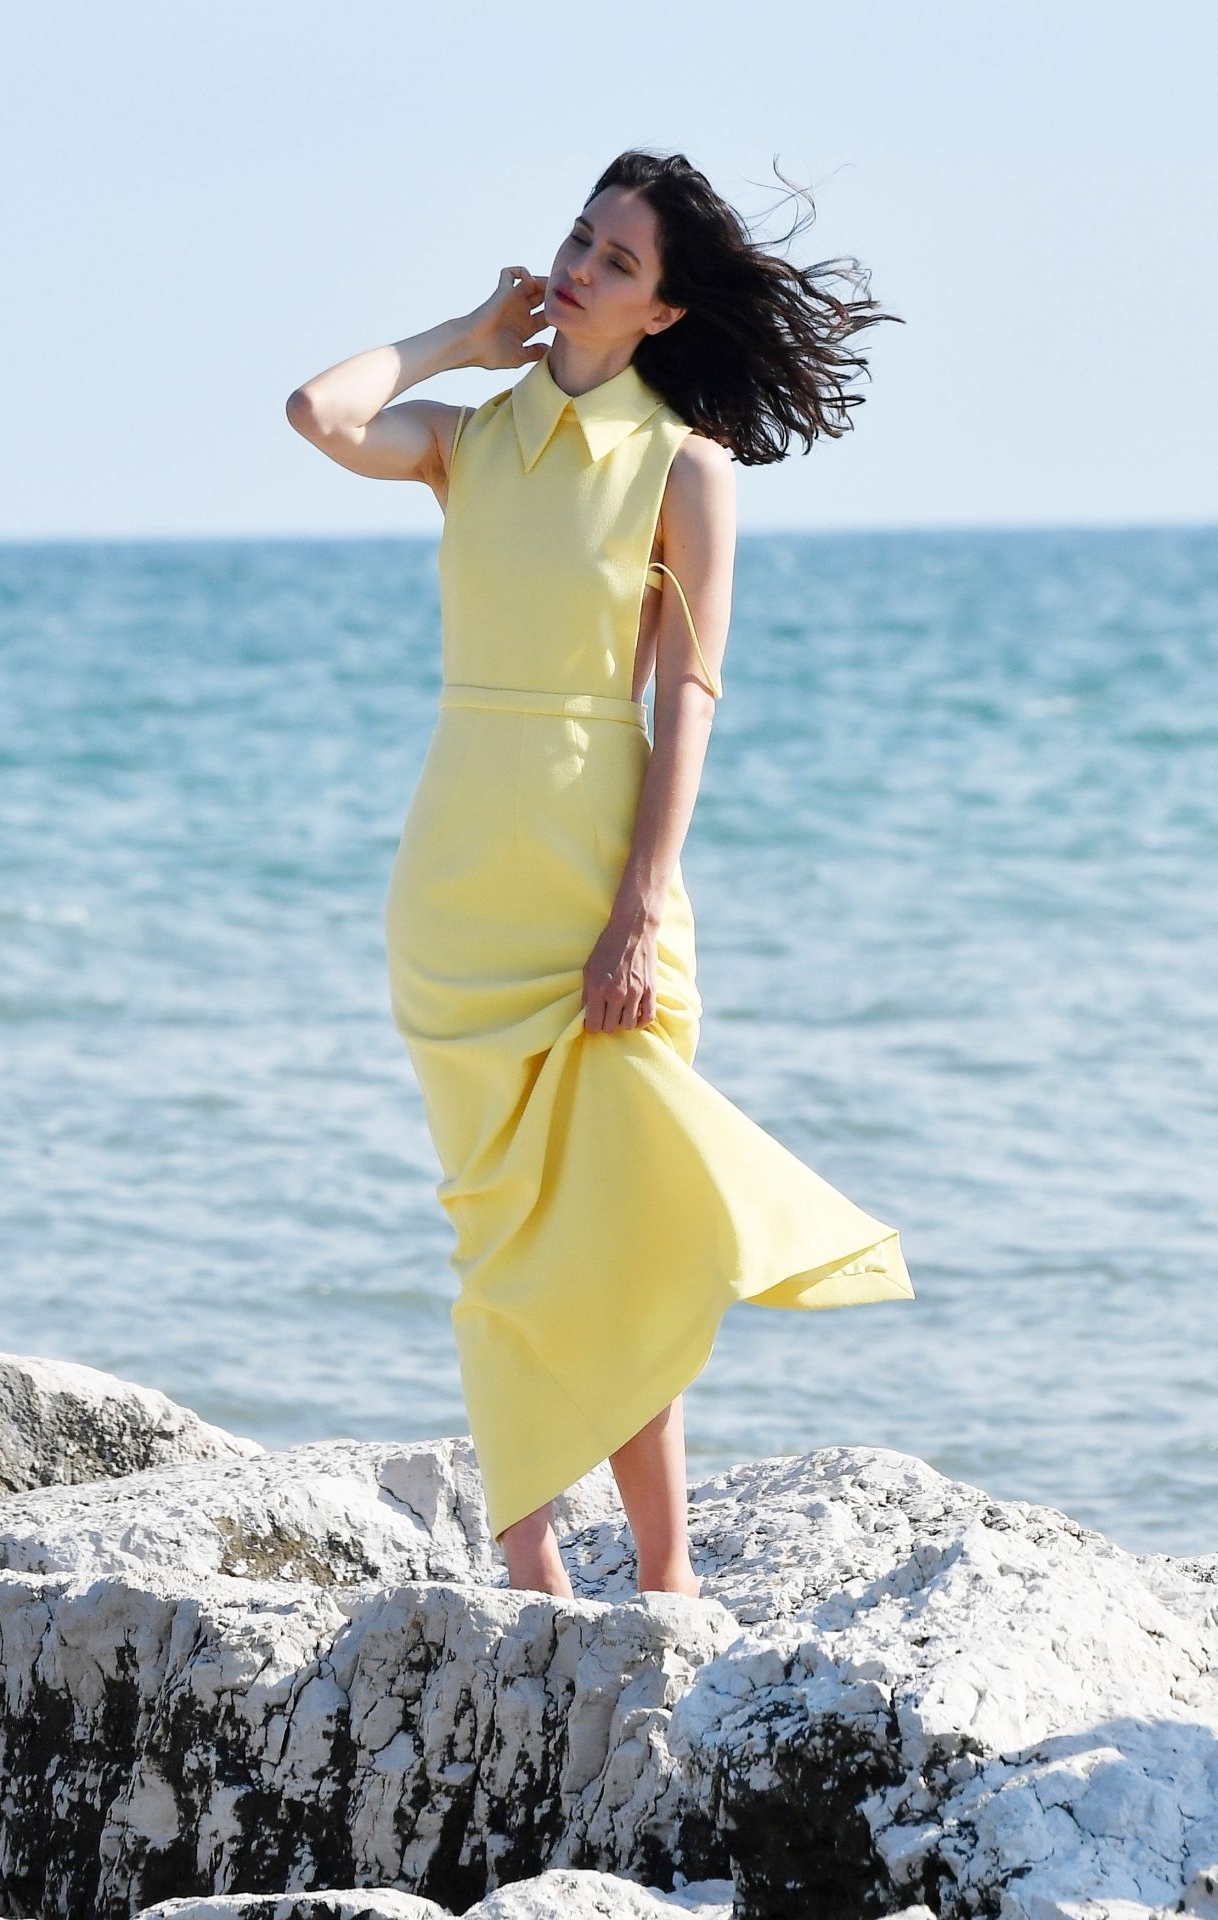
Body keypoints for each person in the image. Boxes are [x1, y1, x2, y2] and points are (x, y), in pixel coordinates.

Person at [286, 149, 914, 1603]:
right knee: (500, 1227)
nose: (581, 266)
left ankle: (668, 1577)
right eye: (581, 238)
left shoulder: (687, 468)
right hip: (457, 886)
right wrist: (460, 333)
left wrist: (642, 904)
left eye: (618, 262)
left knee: (625, 1224)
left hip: (598, 879)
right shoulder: (468, 441)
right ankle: (528, 1567)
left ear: (663, 314)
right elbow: (321, 415)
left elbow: (689, 693)